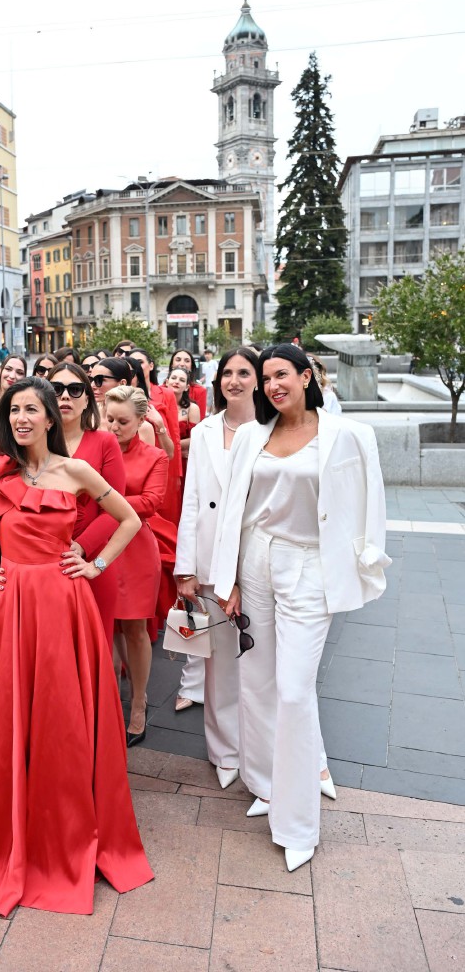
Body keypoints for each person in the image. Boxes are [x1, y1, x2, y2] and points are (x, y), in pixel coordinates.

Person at [0, 377, 152, 915]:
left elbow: (127, 518)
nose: (22, 418)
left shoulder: (75, 469)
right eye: (14, 409)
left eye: (33, 409)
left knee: (59, 719)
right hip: (10, 604)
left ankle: (63, 827)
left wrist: (96, 563)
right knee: (10, 713)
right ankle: (8, 821)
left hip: (63, 603)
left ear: (53, 417)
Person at [213, 344, 390, 872]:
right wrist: (231, 577)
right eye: (266, 378)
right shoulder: (250, 435)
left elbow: (370, 500)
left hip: (312, 567)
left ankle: (297, 822)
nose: (272, 385)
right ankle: (266, 785)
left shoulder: (349, 434)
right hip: (257, 563)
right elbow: (235, 512)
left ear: (307, 376)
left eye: (282, 375)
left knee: (293, 689)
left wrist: (366, 561)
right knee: (257, 681)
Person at [173, 348, 257, 785]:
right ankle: (224, 752)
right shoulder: (205, 431)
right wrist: (185, 567)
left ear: (258, 379)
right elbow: (191, 501)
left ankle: (259, 752)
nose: (235, 380)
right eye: (227, 372)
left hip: (256, 561)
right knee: (219, 663)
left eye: (245, 372)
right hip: (208, 561)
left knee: (260, 667)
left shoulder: (269, 431)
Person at [105, 386, 176, 744]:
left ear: (140, 421)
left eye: (123, 421)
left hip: (134, 548)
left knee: (134, 626)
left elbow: (151, 502)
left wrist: (103, 498)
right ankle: (118, 688)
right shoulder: (96, 451)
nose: (114, 426)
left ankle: (138, 703)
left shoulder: (153, 456)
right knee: (111, 624)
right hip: (99, 542)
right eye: (110, 419)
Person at [48, 361, 125, 650]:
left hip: (89, 559)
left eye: (75, 389)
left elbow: (116, 511)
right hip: (41, 562)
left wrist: (81, 547)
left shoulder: (105, 442)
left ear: (87, 399)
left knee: (94, 646)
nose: (65, 396)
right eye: (56, 389)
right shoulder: (33, 442)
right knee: (52, 650)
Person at [130, 348, 182, 525]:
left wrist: (177, 475)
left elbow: (174, 435)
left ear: (151, 365)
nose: (136, 367)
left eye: (140, 362)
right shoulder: (122, 399)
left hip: (162, 462)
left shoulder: (165, 393)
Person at [166, 366, 201, 479]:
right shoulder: (157, 406)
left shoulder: (192, 408)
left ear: (187, 387)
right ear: (167, 382)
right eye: (174, 378)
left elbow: (196, 438)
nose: (176, 381)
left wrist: (170, 446)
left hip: (183, 461)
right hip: (162, 459)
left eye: (182, 380)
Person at [167, 349, 207, 416]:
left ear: (191, 366)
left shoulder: (200, 391)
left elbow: (200, 421)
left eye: (187, 361)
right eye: (178, 360)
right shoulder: (160, 390)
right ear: (172, 365)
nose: (182, 364)